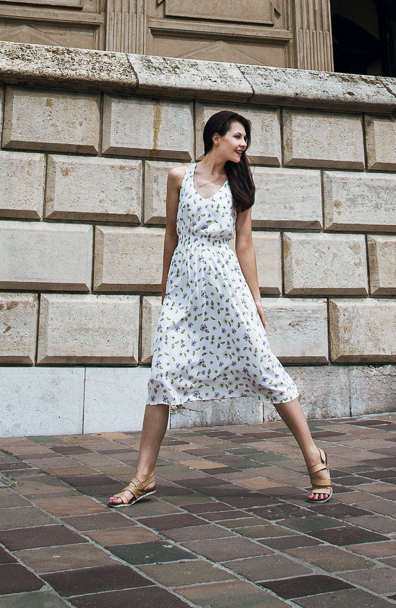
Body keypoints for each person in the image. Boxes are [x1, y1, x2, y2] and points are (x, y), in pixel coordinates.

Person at [106, 109, 332, 506]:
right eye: (238, 136)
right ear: (216, 137)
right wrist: (165, 288)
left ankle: (315, 459)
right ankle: (144, 477)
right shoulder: (179, 178)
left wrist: (257, 299)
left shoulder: (239, 186)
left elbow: (244, 243)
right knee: (163, 375)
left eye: (245, 139)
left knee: (265, 366)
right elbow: (171, 235)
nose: (243, 144)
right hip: (185, 289)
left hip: (227, 287)